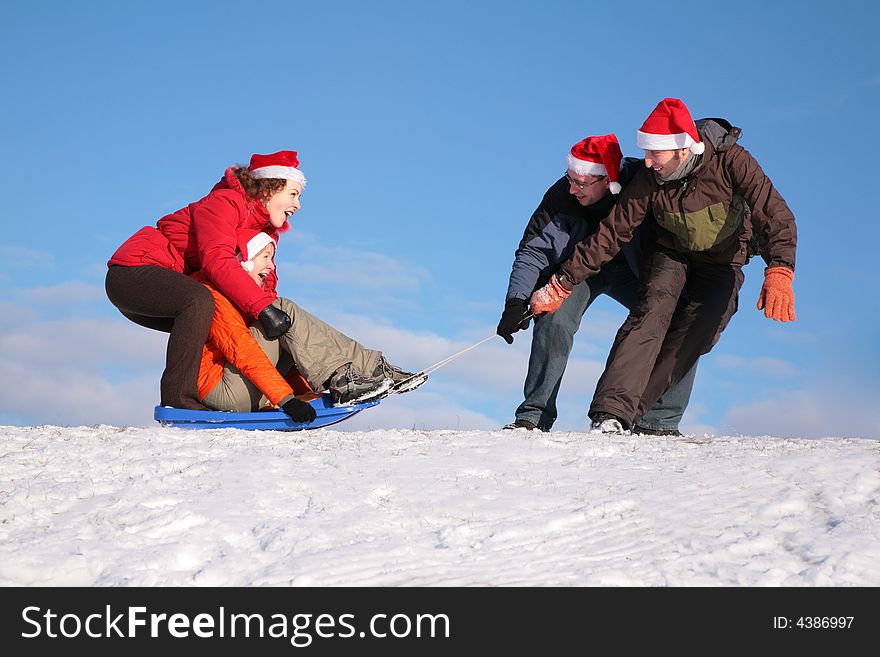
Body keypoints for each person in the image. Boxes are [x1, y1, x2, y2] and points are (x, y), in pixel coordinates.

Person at [531, 99, 797, 434]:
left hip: (723, 261)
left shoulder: (733, 161)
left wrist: (780, 269)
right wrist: (563, 282)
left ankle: (650, 419)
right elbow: (612, 232)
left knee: (699, 329)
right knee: (650, 314)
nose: (647, 161)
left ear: (682, 149)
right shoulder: (649, 178)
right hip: (671, 254)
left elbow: (774, 213)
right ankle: (610, 413)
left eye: (654, 153)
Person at [497, 134, 697, 436]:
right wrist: (515, 301)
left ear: (608, 179)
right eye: (570, 178)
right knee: (555, 316)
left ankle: (659, 422)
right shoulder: (561, 197)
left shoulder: (642, 186)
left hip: (636, 270)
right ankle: (534, 416)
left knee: (679, 320)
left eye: (582, 183)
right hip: (580, 270)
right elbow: (533, 251)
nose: (573, 189)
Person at [106, 150, 307, 410]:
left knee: (240, 322)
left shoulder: (262, 232)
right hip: (133, 273)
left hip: (174, 286)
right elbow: (217, 260)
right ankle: (178, 401)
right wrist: (263, 308)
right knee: (199, 301)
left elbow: (263, 290)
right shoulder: (226, 202)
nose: (298, 204)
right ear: (269, 189)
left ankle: (263, 393)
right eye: (293, 194)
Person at [195, 230, 421, 415]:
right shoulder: (214, 295)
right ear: (243, 262)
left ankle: (372, 368)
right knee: (281, 310)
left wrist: (304, 395)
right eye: (265, 257)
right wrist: (286, 400)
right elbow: (243, 351)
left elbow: (292, 350)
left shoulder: (242, 298)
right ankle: (346, 380)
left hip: (243, 387)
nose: (271, 267)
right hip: (223, 392)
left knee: (283, 319)